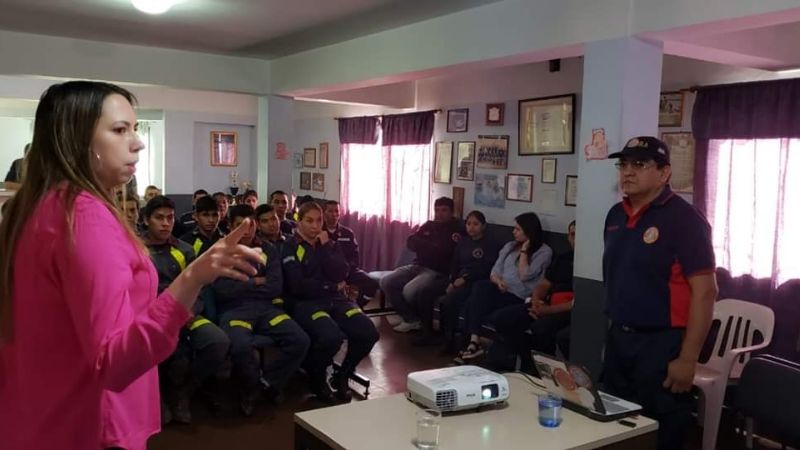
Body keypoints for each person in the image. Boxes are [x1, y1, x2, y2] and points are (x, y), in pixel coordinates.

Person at [0, 81, 263, 450]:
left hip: (38, 413)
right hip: (90, 422)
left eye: (136, 128)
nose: (137, 141)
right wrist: (193, 277)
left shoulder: (37, 206)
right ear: (78, 140)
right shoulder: (85, 217)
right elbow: (114, 362)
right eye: (120, 129)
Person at [603, 136, 717, 450]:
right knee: (616, 428)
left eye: (639, 165)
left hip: (663, 345)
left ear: (664, 173)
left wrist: (688, 358)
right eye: (623, 164)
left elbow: (706, 293)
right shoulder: (615, 216)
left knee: (661, 431)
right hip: (620, 341)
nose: (628, 172)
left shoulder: (684, 219)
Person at [212, 205, 310, 416]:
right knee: (240, 346)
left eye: (251, 225)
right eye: (240, 226)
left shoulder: (268, 249)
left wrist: (243, 284)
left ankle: (266, 382)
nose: (247, 231)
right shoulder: (221, 252)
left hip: (267, 309)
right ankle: (250, 389)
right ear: (230, 227)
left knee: (300, 340)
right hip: (235, 311)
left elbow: (275, 286)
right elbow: (222, 291)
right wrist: (255, 281)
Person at [141, 195, 230, 425]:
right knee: (171, 353)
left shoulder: (185, 250)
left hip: (186, 315)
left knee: (218, 341)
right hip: (153, 319)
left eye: (170, 218)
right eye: (159, 218)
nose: (165, 223)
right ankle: (158, 395)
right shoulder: (138, 251)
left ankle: (185, 391)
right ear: (146, 220)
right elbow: (138, 293)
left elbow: (198, 288)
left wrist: (189, 311)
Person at [282, 202, 379, 404]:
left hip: (337, 300)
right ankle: (316, 378)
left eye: (319, 220)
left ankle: (343, 374)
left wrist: (326, 247)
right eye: (309, 220)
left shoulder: (329, 244)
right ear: (299, 221)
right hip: (307, 303)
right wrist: (330, 286)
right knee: (330, 336)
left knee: (368, 332)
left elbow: (341, 272)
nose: (315, 226)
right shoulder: (289, 246)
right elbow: (298, 285)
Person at [457, 212, 552, 362]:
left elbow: (525, 275)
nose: (513, 232)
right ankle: (474, 340)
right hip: (501, 289)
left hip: (519, 296)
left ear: (529, 231)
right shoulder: (509, 246)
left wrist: (524, 251)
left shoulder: (544, 251)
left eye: (518, 229)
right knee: (480, 287)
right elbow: (495, 270)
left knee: (473, 303)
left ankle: (472, 345)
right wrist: (498, 281)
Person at [488, 220, 576, 370]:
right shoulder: (563, 258)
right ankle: (525, 360)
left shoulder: (593, 264)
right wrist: (536, 301)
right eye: (572, 234)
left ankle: (543, 371)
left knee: (541, 328)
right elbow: (544, 284)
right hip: (545, 304)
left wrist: (546, 311)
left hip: (566, 310)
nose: (576, 239)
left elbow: (578, 302)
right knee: (502, 318)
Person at [380, 197, 463, 333]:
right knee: (386, 281)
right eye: (437, 210)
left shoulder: (456, 230)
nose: (439, 214)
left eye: (444, 210)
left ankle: (417, 320)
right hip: (417, 266)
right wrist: (429, 246)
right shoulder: (429, 225)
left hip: (435, 271)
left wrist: (423, 245)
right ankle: (411, 319)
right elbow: (411, 241)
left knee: (409, 291)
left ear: (452, 212)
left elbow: (444, 251)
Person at [430, 210, 501, 348]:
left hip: (477, 282)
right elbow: (455, 264)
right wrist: (452, 281)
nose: (471, 227)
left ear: (483, 226)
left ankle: (459, 341)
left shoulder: (490, 244)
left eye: (476, 224)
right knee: (437, 296)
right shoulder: (463, 242)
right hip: (458, 280)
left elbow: (487, 268)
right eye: (468, 224)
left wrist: (465, 279)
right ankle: (445, 337)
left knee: (452, 301)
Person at [323, 200, 379, 307]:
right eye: (330, 211)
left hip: (348, 272)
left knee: (372, 284)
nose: (334, 214)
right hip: (327, 274)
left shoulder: (347, 233)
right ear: (324, 213)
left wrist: (347, 272)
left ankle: (356, 306)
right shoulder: (319, 233)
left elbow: (355, 257)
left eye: (337, 211)